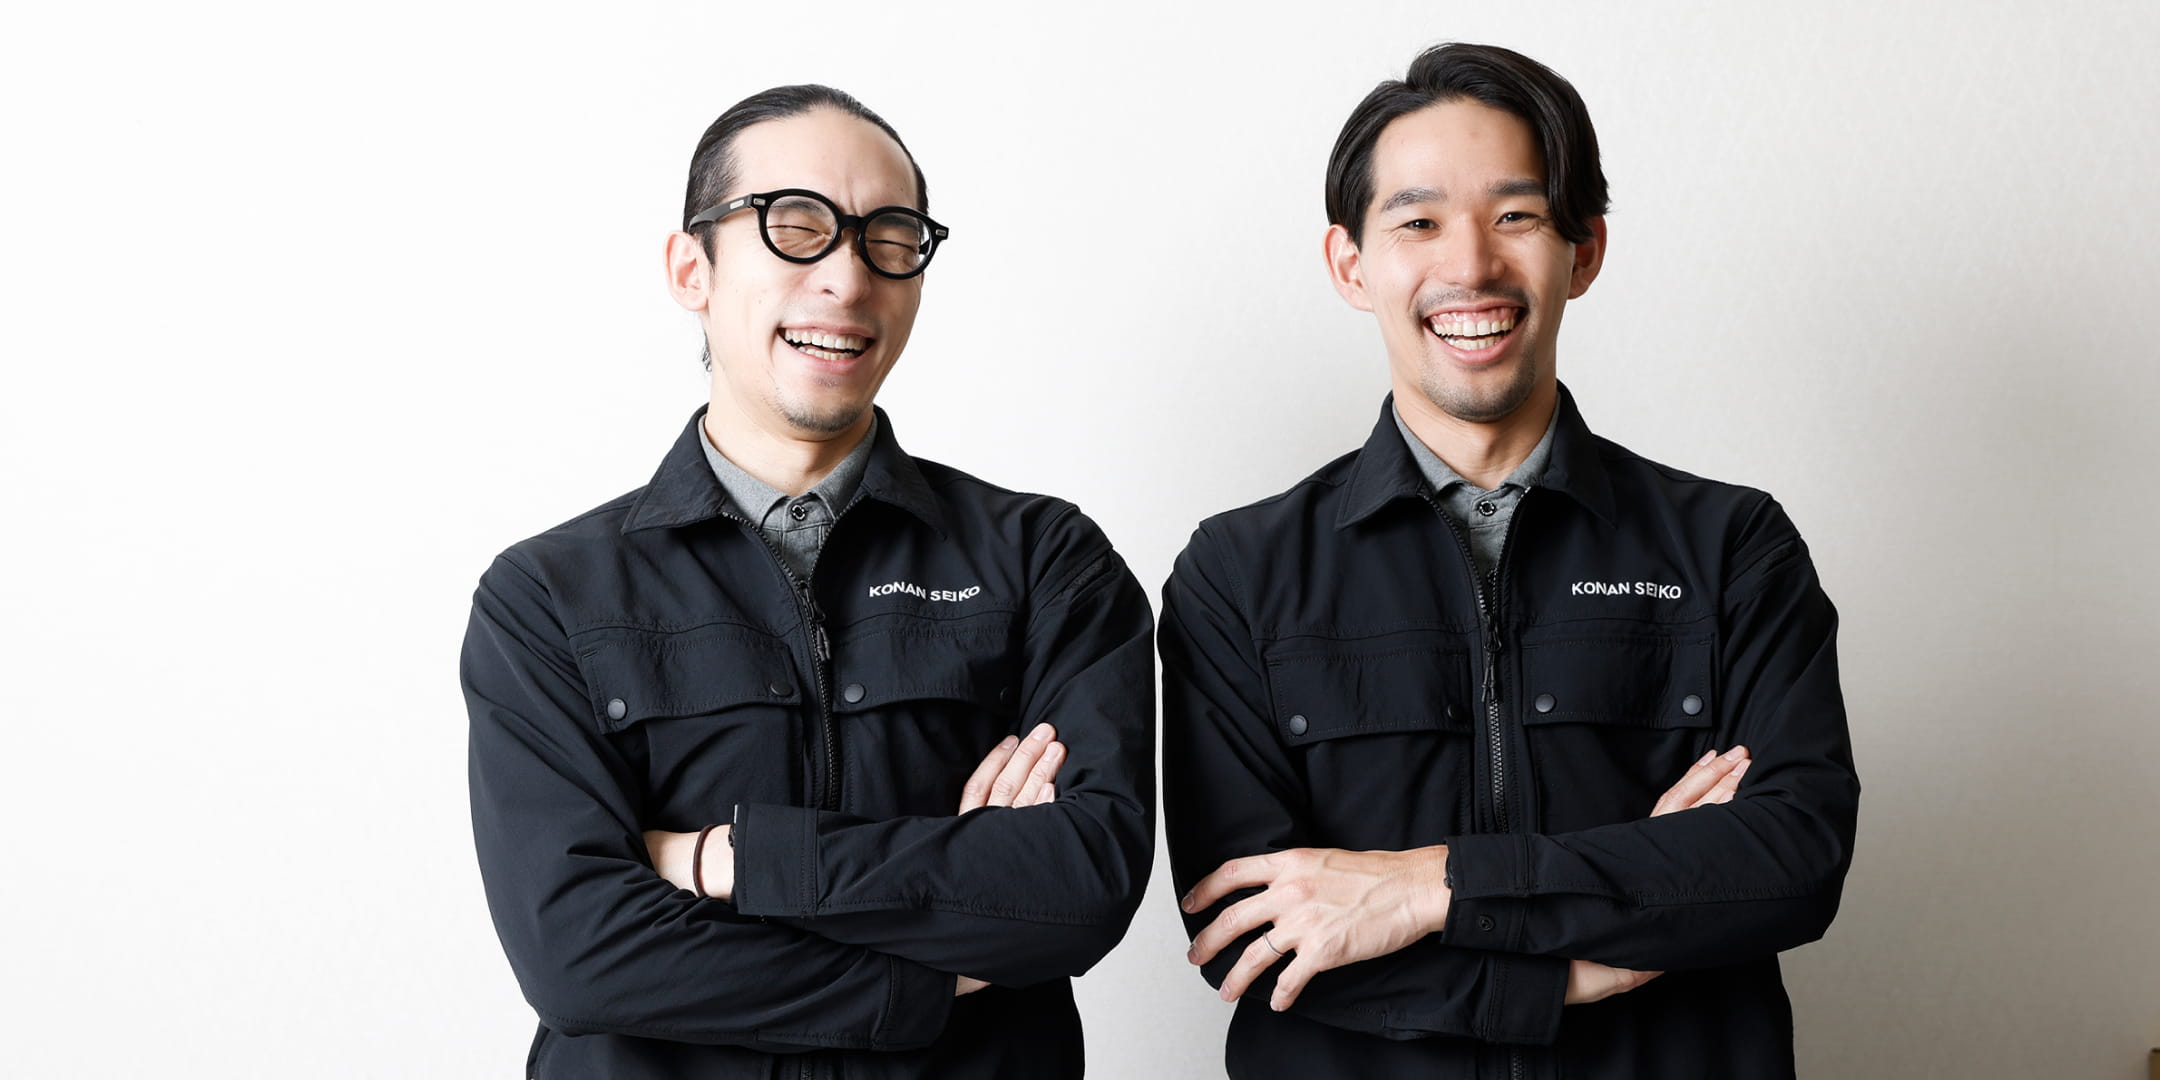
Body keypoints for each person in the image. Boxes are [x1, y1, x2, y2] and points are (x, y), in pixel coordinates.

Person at [1161, 43, 1858, 1078]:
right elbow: (1255, 934)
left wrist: (1426, 887)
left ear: (1584, 250)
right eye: (1418, 222)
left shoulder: (1732, 546)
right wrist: (1574, 968)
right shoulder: (1238, 573)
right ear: (1351, 265)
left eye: (1517, 215)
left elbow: (1790, 862)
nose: (1472, 266)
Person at [462, 84, 1154, 1080]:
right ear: (691, 268)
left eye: (890, 238)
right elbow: (580, 956)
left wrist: (724, 861)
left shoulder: (1044, 559)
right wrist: (932, 970)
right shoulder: (548, 597)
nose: (848, 277)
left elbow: (1079, 888)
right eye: (795, 228)